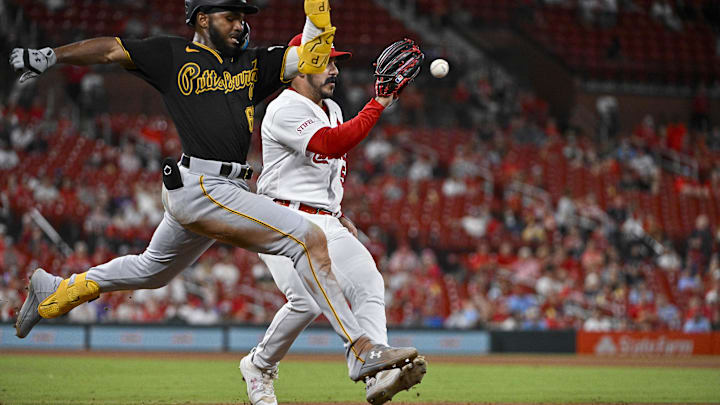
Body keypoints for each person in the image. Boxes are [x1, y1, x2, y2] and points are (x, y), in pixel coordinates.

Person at [10, 0, 418, 385]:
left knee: (152, 271)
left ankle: (56, 291)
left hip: (220, 187)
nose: (241, 23)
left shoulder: (253, 65)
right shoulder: (172, 56)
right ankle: (361, 349)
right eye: (231, 16)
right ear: (203, 19)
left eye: (243, 16)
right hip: (203, 183)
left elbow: (310, 53)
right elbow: (110, 50)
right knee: (307, 239)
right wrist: (53, 56)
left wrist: (319, 12)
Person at [239, 34, 426, 405]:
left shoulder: (334, 108)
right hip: (280, 218)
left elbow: (327, 170)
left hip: (324, 220)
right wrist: (378, 104)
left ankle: (376, 370)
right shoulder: (284, 108)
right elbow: (330, 144)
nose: (335, 70)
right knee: (306, 301)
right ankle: (259, 366)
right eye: (325, 62)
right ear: (298, 68)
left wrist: (338, 213)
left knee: (368, 281)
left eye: (335, 62)